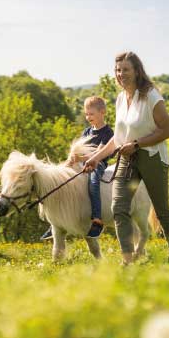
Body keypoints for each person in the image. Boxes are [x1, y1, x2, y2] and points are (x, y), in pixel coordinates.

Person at [84, 51, 169, 264]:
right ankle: (128, 259)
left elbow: (167, 130)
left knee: (162, 210)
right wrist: (96, 158)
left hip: (152, 157)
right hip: (127, 160)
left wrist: (136, 144)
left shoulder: (151, 96)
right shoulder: (120, 99)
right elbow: (118, 139)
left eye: (126, 69)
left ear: (137, 71)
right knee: (118, 208)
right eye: (118, 70)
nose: (121, 74)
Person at [41, 96, 114, 240]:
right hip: (82, 164)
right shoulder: (87, 131)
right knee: (63, 182)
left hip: (97, 164)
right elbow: (79, 150)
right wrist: (68, 164)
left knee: (93, 183)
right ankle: (56, 221)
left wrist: (80, 159)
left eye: (91, 114)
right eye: (86, 114)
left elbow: (97, 153)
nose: (88, 117)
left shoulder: (107, 133)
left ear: (102, 112)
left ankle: (97, 219)